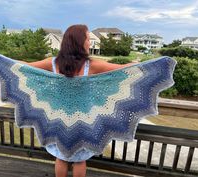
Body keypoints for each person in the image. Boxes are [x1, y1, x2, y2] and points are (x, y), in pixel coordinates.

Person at [21, 24, 138, 177]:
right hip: (84, 121)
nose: (90, 42)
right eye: (88, 39)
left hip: (59, 119)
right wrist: (141, 65)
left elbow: (25, 67)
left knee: (61, 158)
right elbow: (122, 69)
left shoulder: (54, 63)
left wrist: (1, 60)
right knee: (80, 161)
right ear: (79, 42)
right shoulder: (92, 65)